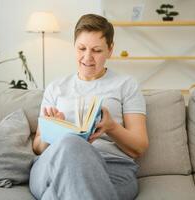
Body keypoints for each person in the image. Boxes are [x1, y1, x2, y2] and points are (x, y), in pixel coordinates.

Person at [29, 13, 148, 200]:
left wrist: (112, 127)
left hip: (110, 168)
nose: (87, 57)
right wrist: (52, 129)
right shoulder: (56, 87)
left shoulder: (126, 85)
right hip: (53, 163)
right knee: (70, 143)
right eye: (81, 48)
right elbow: (38, 147)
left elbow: (139, 147)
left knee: (56, 194)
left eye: (97, 50)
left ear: (110, 49)